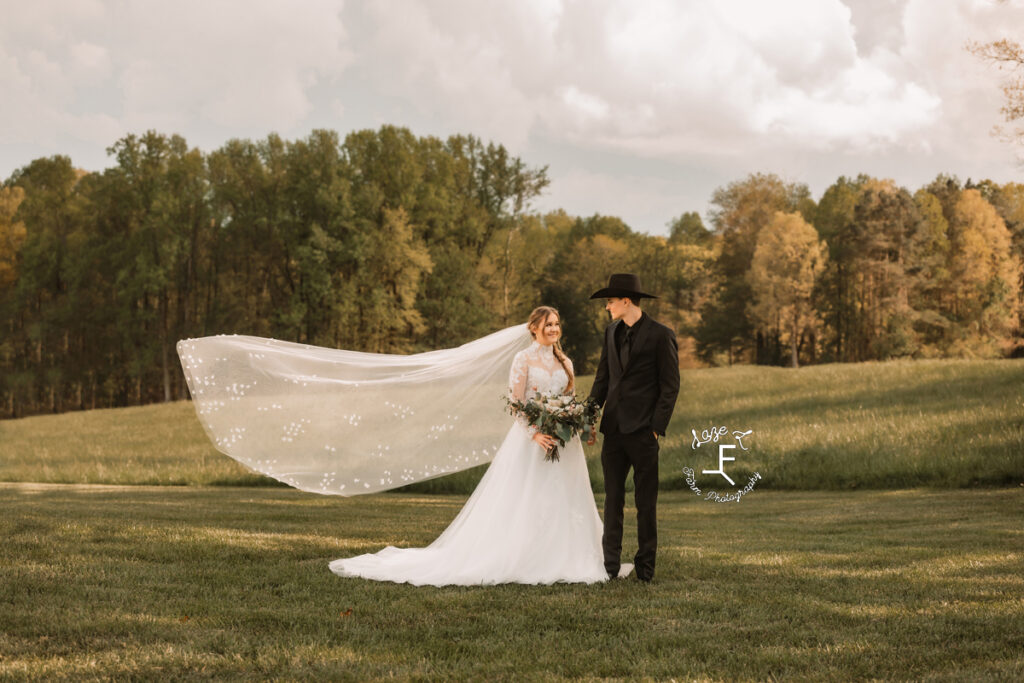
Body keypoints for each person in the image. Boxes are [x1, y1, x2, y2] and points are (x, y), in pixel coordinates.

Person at [329, 306, 633, 586]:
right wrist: (535, 434)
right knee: (526, 499)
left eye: (556, 324)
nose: (554, 329)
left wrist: (577, 424)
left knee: (567, 498)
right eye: (547, 324)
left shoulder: (565, 361)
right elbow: (516, 404)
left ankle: (571, 554)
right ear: (533, 329)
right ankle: (525, 555)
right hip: (532, 442)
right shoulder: (523, 360)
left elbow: (567, 402)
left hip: (564, 445)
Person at [587, 274, 680, 583]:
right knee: (612, 500)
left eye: (610, 301)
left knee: (645, 504)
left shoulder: (660, 335)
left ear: (626, 301)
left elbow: (670, 387)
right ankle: (610, 565)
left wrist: (655, 428)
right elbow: (603, 378)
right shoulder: (610, 332)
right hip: (613, 430)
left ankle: (645, 569)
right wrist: (589, 414)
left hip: (643, 432)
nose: (607, 307)